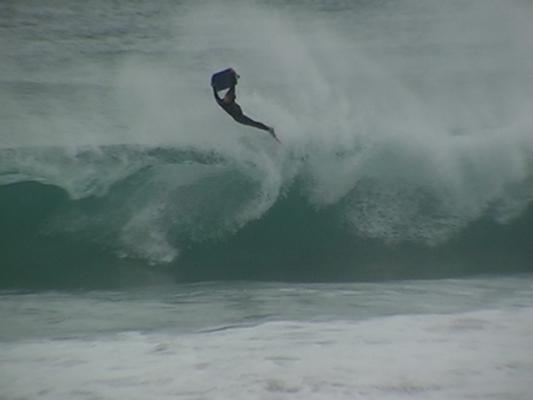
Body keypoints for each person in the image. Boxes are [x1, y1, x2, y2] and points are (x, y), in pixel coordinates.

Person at [212, 72, 280, 143]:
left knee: (255, 122)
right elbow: (216, 96)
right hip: (239, 118)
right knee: (254, 123)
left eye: (228, 97)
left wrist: (233, 76)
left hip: (240, 113)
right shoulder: (222, 103)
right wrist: (214, 87)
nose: (226, 97)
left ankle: (268, 130)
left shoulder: (230, 100)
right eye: (227, 97)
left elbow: (232, 87)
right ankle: (269, 130)